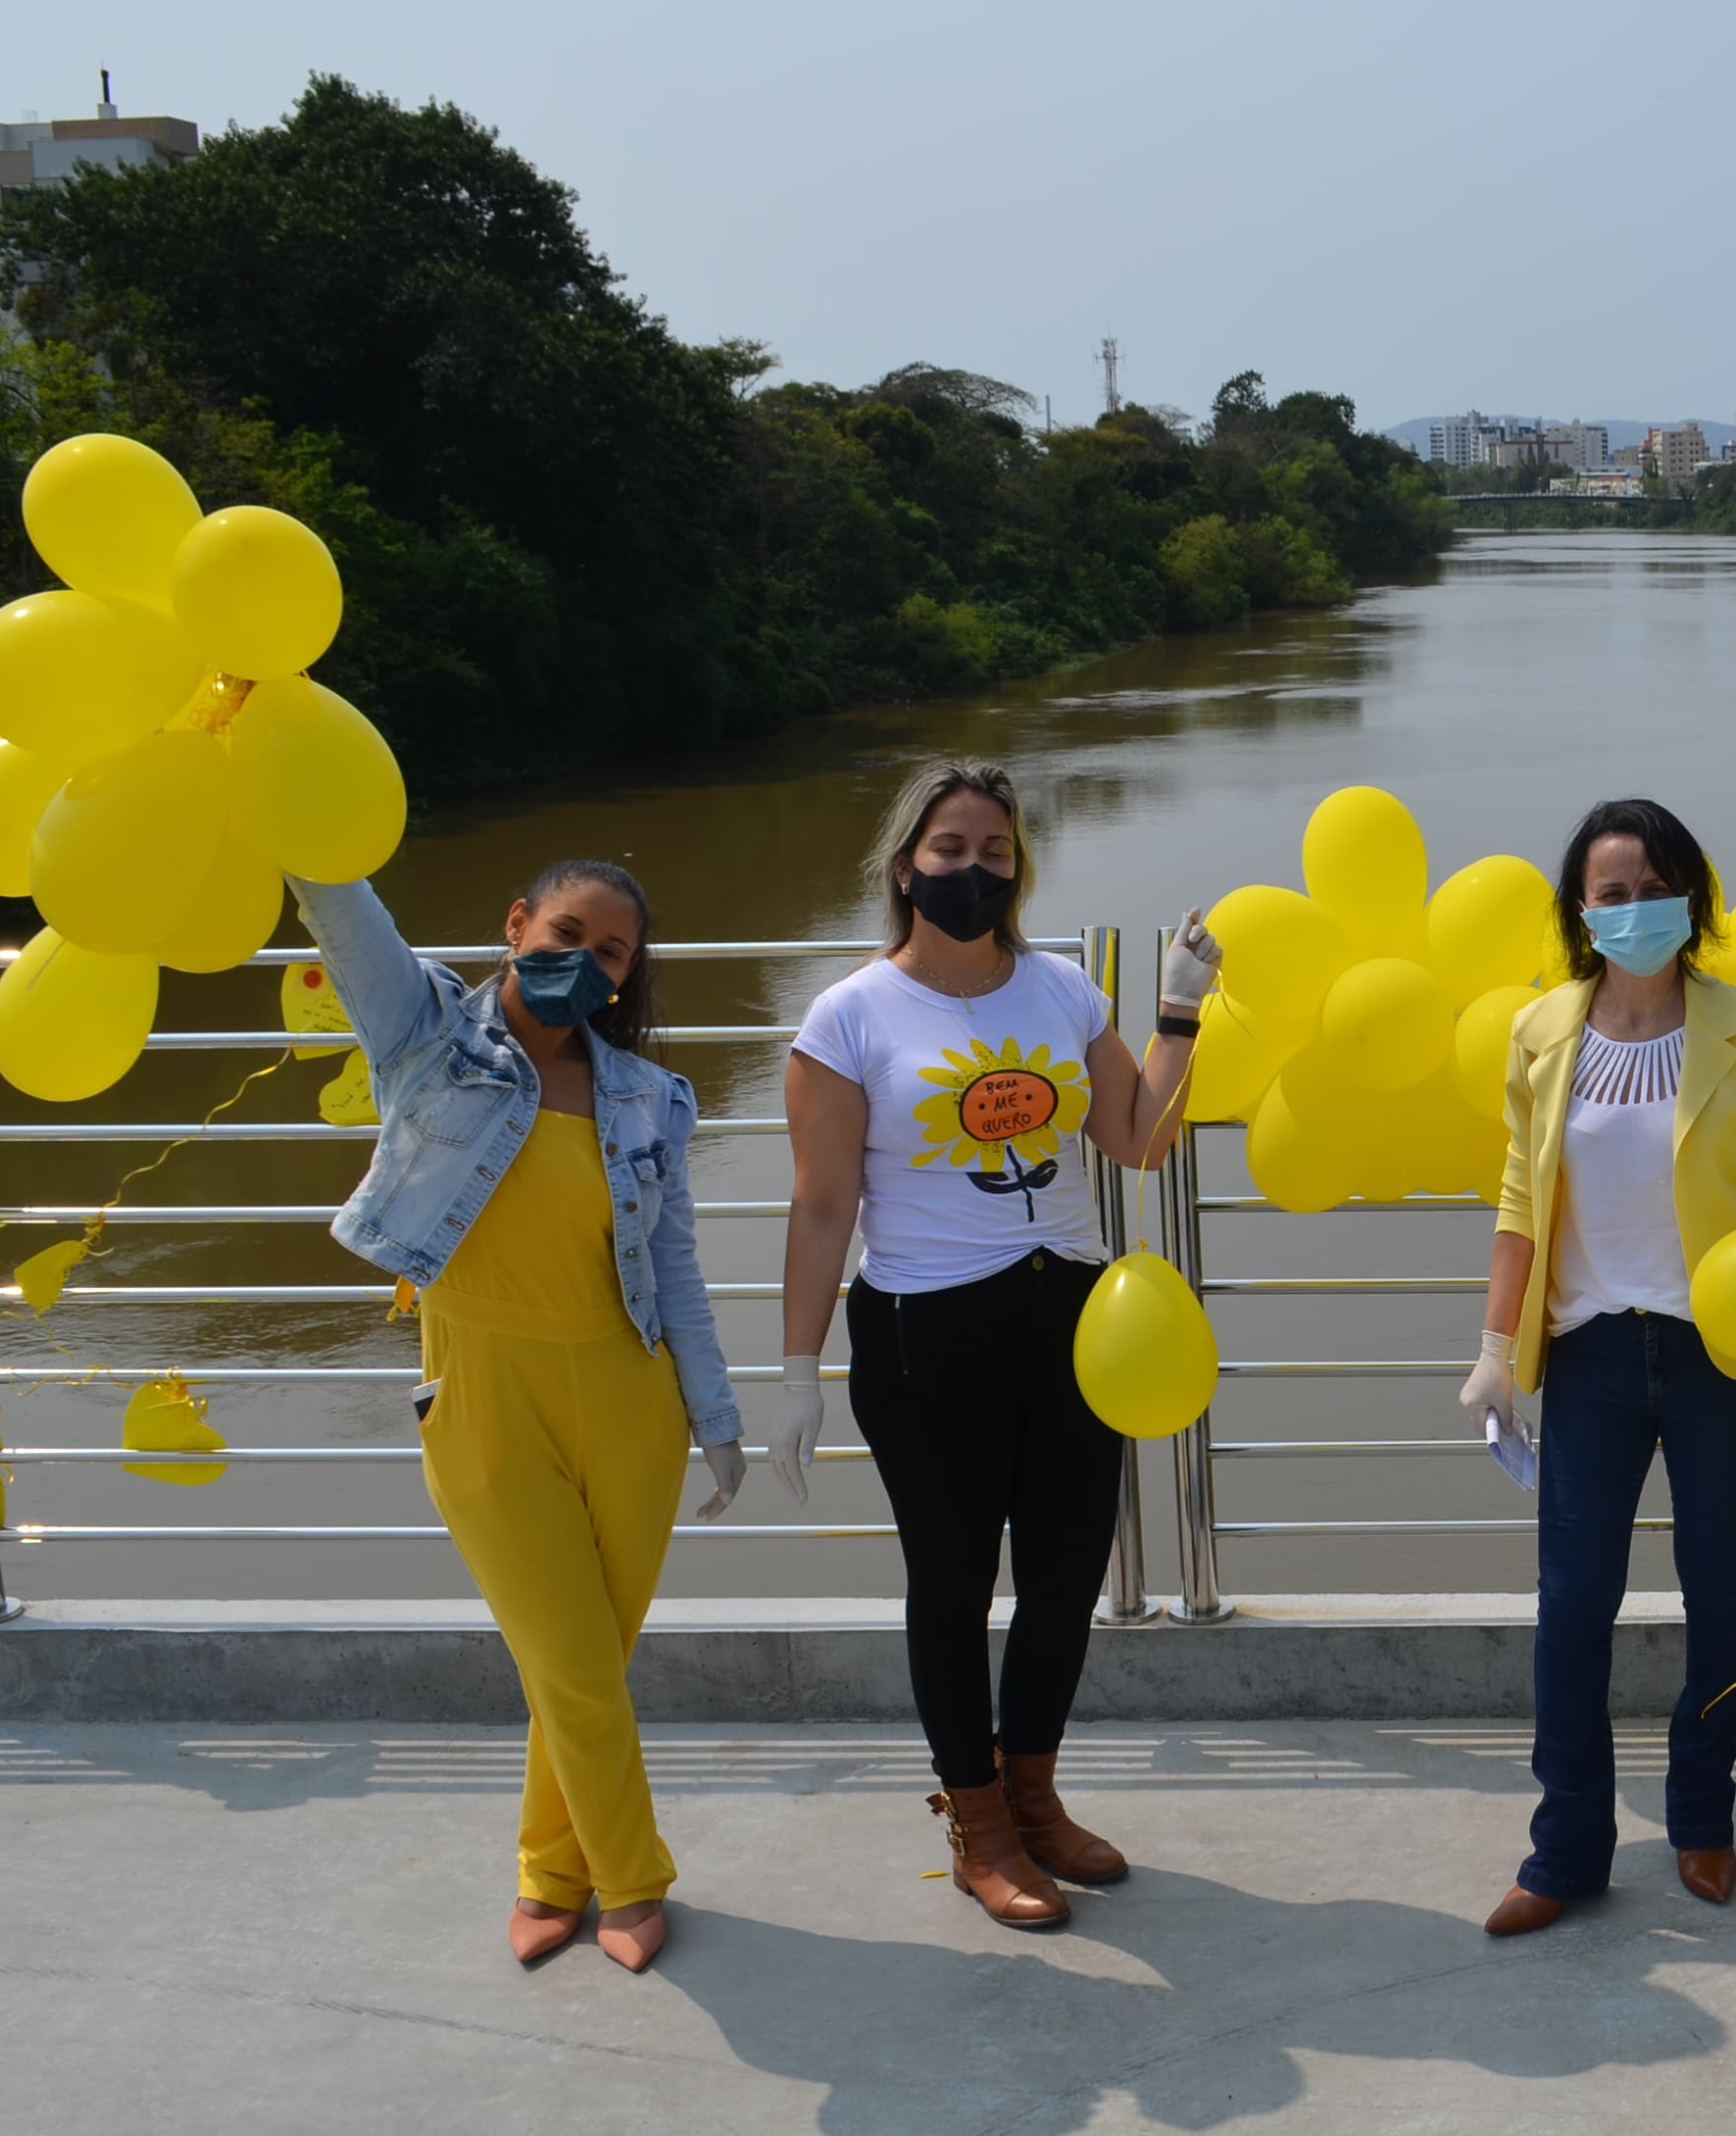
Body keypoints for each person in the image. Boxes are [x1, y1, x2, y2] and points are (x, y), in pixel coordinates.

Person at [298, 861, 774, 1975]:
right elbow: (339, 906)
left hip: (630, 1401)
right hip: (483, 1392)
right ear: (515, 925)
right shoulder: (424, 1034)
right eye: (565, 932)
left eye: (610, 952)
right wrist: (281, 788)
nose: (584, 961)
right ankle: (635, 1877)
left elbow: (676, 1267)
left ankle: (550, 1874)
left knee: (586, 1664)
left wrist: (716, 1418)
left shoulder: (650, 1098)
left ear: (625, 976)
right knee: (568, 1660)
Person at [776, 760, 1219, 1930]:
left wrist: (1179, 1016)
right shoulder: (849, 1016)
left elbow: (1135, 1141)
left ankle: (1035, 1797)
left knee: (1070, 1573)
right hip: (928, 1335)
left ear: (1018, 866)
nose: (972, 870)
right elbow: (822, 1207)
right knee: (954, 1583)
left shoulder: (1065, 992)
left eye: (995, 851)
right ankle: (976, 1822)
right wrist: (796, 1368)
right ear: (904, 864)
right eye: (949, 849)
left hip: (1069, 1321)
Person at [1460, 797, 1736, 1938]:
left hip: (1725, 1356)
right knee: (1573, 1607)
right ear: (1583, 910)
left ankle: (1702, 1818)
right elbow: (1524, 1197)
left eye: (1655, 887)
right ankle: (1567, 1845)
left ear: (1692, 900)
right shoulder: (1542, 1030)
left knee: (1721, 1597)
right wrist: (1493, 1345)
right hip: (1589, 1356)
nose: (1634, 909)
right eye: (1611, 892)